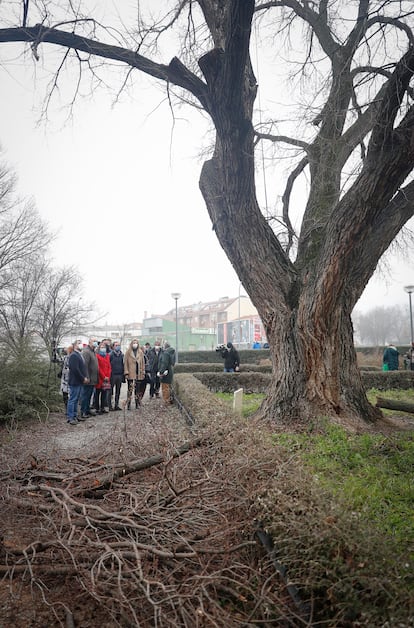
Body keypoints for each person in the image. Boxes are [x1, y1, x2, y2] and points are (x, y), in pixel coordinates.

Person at [67, 340, 89, 425]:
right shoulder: (73, 355)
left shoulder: (79, 355)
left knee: (76, 399)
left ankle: (75, 415)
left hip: (79, 381)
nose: (81, 345)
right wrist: (82, 378)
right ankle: (70, 417)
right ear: (75, 345)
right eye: (79, 343)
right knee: (72, 399)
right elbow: (75, 369)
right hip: (75, 381)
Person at [124, 338, 145, 409]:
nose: (135, 344)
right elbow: (125, 363)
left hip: (138, 373)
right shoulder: (128, 352)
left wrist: (143, 371)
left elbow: (142, 362)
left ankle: (137, 404)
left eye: (136, 343)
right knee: (130, 389)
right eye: (134, 343)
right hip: (130, 372)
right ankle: (129, 404)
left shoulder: (140, 352)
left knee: (138, 389)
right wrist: (126, 372)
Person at [80, 337, 99, 418]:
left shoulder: (93, 351)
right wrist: (86, 377)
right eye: (94, 341)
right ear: (89, 342)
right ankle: (83, 411)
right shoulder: (86, 352)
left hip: (93, 378)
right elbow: (85, 365)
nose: (95, 343)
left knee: (89, 395)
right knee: (85, 395)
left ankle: (87, 410)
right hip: (88, 378)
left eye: (96, 341)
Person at [95, 341, 112, 414]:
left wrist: (108, 376)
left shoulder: (107, 355)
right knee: (97, 394)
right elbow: (98, 367)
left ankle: (102, 407)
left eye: (104, 347)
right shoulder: (97, 356)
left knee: (104, 393)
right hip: (100, 377)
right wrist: (103, 376)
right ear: (99, 348)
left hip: (106, 378)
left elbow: (109, 366)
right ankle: (97, 408)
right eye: (102, 347)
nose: (103, 349)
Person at [110, 341, 124, 410]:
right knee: (110, 391)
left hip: (120, 375)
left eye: (119, 345)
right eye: (116, 345)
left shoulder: (122, 355)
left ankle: (116, 405)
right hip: (112, 375)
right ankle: (110, 405)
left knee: (118, 391)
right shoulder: (111, 355)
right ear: (113, 346)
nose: (118, 346)